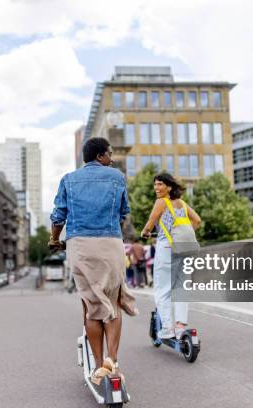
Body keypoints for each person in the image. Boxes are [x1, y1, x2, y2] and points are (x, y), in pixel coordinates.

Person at [49, 137, 138, 385]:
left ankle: (99, 366)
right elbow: (123, 213)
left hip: (80, 245)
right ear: (100, 156)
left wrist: (55, 239)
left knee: (91, 305)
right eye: (109, 154)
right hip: (110, 243)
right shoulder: (117, 177)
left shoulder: (68, 179)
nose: (111, 158)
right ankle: (114, 361)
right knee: (113, 301)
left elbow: (58, 217)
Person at [141, 172, 201, 339]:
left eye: (160, 184)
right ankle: (181, 325)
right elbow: (197, 221)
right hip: (185, 247)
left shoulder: (161, 202)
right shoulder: (182, 203)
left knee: (163, 289)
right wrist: (184, 233)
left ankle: (167, 327)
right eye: (155, 184)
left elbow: (150, 224)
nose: (156, 188)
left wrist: (145, 232)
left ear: (169, 187)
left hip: (167, 248)